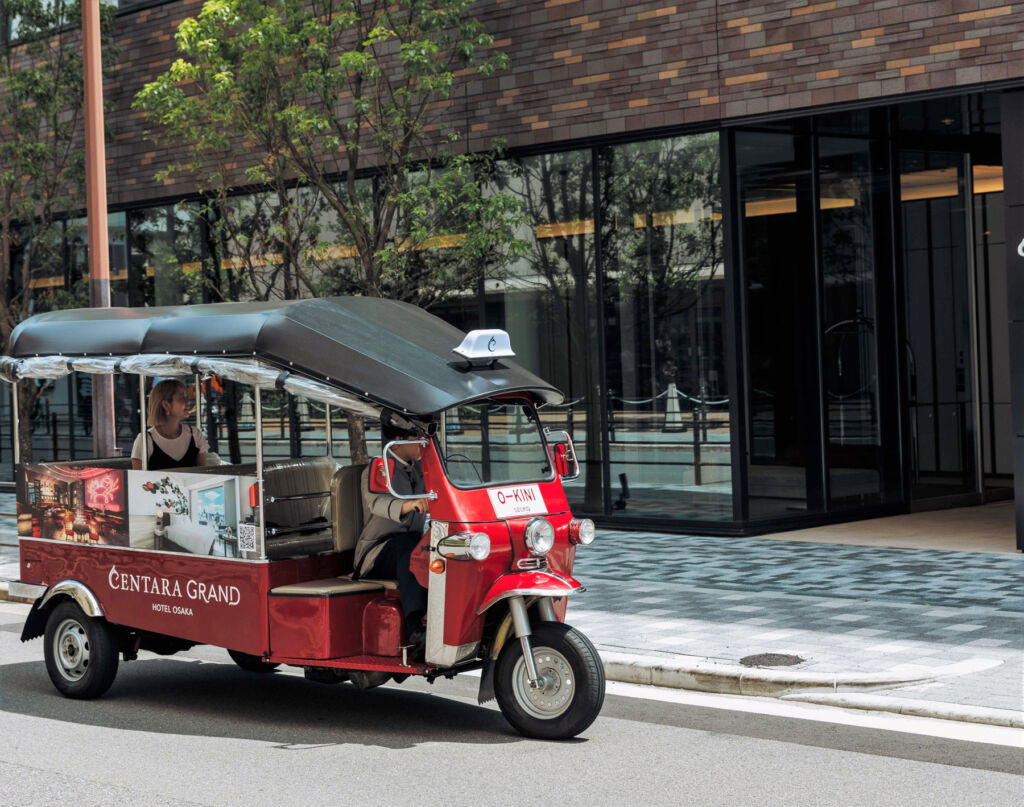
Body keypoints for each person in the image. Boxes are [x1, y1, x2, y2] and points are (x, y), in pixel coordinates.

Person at [354, 420, 430, 651]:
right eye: (416, 436)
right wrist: (409, 505)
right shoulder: (378, 468)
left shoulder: (419, 469)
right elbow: (376, 502)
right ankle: (415, 627)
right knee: (409, 548)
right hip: (377, 552)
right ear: (397, 441)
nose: (422, 442)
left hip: (412, 544)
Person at [131, 379, 209, 471]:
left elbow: (205, 474)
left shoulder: (195, 435)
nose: (188, 402)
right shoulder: (144, 440)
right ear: (166, 405)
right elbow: (139, 480)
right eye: (182, 398)